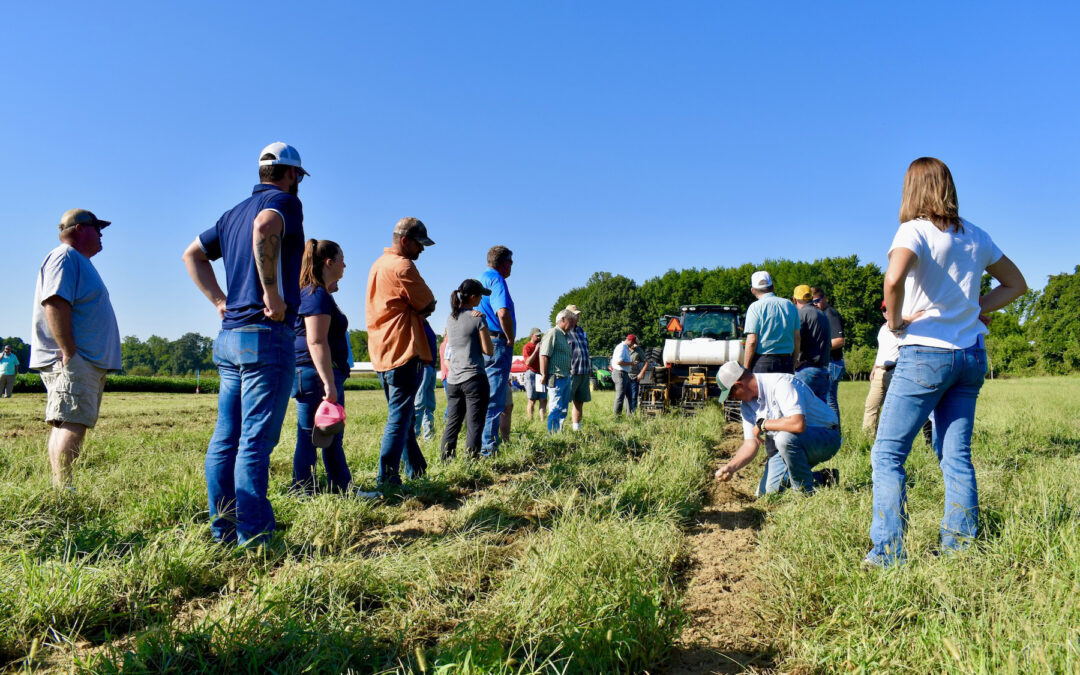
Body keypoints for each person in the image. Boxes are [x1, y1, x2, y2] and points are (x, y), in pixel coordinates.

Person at [865, 157, 1026, 568]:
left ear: (912, 190)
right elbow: (1017, 284)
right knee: (955, 456)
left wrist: (895, 319)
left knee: (887, 455)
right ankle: (960, 549)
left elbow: (893, 279)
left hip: (925, 353)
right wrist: (977, 309)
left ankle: (888, 554)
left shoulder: (913, 230)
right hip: (970, 355)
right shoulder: (976, 235)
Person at [182, 142, 307, 544]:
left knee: (226, 438)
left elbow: (192, 254)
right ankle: (255, 536)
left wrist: (220, 301)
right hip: (265, 336)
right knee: (254, 441)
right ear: (290, 174)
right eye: (300, 178)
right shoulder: (284, 202)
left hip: (230, 336)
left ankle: (224, 529)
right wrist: (271, 292)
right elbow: (265, 228)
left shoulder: (230, 214)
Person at [31, 209, 121, 488]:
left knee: (67, 420)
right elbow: (55, 302)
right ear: (80, 229)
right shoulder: (65, 256)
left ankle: (61, 487)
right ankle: (63, 489)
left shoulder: (77, 261)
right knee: (72, 422)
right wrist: (69, 351)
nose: (102, 233)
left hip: (80, 358)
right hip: (74, 357)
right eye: (98, 227)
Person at [366, 217, 436, 488]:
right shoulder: (402, 265)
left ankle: (416, 470)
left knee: (403, 415)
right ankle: (387, 478)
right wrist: (420, 308)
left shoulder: (378, 264)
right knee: (399, 418)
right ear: (405, 241)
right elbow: (427, 302)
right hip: (403, 349)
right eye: (420, 244)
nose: (422, 250)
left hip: (382, 350)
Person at [713, 361, 841, 496]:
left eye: (731, 395)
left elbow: (797, 424)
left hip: (825, 436)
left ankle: (804, 494)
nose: (733, 399)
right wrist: (730, 468)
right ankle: (824, 477)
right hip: (791, 442)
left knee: (784, 438)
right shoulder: (747, 406)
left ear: (738, 385)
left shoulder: (781, 384)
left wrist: (763, 424)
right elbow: (751, 444)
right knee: (766, 493)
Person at [291, 239, 352, 494]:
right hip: (316, 375)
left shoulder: (317, 293)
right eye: (341, 260)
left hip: (315, 373)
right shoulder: (315, 295)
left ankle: (340, 487)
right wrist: (328, 383)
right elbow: (316, 341)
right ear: (329, 262)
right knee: (311, 436)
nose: (345, 265)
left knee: (329, 435)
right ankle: (303, 490)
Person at [441, 279, 494, 460]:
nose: (481, 299)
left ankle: (446, 458)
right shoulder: (478, 318)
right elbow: (488, 350)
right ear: (472, 297)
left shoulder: (450, 318)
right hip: (474, 377)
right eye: (479, 296)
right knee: (474, 424)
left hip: (454, 379)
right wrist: (482, 322)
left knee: (452, 423)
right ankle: (471, 461)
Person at [478, 246, 515, 455]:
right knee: (495, 397)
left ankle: (477, 443)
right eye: (511, 262)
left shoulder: (479, 278)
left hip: (481, 341)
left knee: (482, 396)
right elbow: (502, 312)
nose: (512, 267)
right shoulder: (497, 280)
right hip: (497, 342)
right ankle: (488, 447)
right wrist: (510, 337)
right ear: (504, 262)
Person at [743, 271, 799, 374]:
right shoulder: (790, 305)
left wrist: (746, 367)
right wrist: (794, 362)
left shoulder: (755, 307)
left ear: (753, 290)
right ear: (772, 287)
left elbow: (752, 341)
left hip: (763, 363)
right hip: (787, 361)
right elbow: (797, 338)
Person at [810, 286, 845, 427]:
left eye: (817, 301)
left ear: (825, 298)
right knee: (825, 400)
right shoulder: (821, 314)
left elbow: (839, 340)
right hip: (828, 363)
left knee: (830, 401)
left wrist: (819, 347)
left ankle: (834, 433)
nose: (815, 304)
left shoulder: (830, 314)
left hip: (833, 363)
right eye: (812, 302)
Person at [792, 284, 831, 403]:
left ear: (794, 299)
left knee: (800, 412)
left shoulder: (800, 315)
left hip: (806, 370)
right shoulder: (823, 315)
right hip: (823, 370)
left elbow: (796, 339)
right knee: (819, 415)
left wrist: (795, 361)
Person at [539, 310, 574, 433]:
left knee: (563, 408)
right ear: (563, 319)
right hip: (556, 376)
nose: (573, 324)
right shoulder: (553, 333)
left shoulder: (564, 336)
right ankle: (552, 435)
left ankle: (559, 432)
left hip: (565, 376)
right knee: (556, 407)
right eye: (571, 321)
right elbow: (544, 355)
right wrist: (544, 374)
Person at [563, 305, 592, 430]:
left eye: (578, 314)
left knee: (579, 402)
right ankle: (558, 429)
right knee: (564, 402)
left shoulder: (581, 331)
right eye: (575, 314)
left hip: (584, 371)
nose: (577, 317)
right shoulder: (563, 331)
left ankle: (576, 429)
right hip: (571, 371)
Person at [413, 321, 438, 442]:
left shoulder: (425, 323)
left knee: (429, 404)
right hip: (423, 366)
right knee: (419, 403)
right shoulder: (416, 322)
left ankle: (429, 436)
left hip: (431, 367)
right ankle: (414, 436)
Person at [521, 328, 547, 421]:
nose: (539, 337)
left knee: (543, 399)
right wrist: (536, 350)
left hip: (540, 374)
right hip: (531, 374)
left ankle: (542, 420)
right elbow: (527, 362)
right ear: (532, 335)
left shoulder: (542, 346)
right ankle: (530, 420)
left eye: (540, 335)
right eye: (537, 335)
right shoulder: (527, 347)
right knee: (532, 399)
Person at [610, 334, 637, 416]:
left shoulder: (626, 348)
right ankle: (616, 416)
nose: (633, 345)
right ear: (630, 341)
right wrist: (631, 363)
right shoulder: (621, 347)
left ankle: (630, 415)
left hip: (624, 374)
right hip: (619, 373)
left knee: (629, 395)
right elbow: (619, 362)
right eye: (633, 343)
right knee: (620, 396)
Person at [628, 338, 651, 412]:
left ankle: (633, 412)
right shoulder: (624, 348)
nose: (634, 345)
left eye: (636, 344)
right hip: (625, 375)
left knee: (634, 395)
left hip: (634, 376)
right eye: (633, 344)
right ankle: (626, 411)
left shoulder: (638, 350)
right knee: (624, 396)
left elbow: (646, 362)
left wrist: (641, 373)